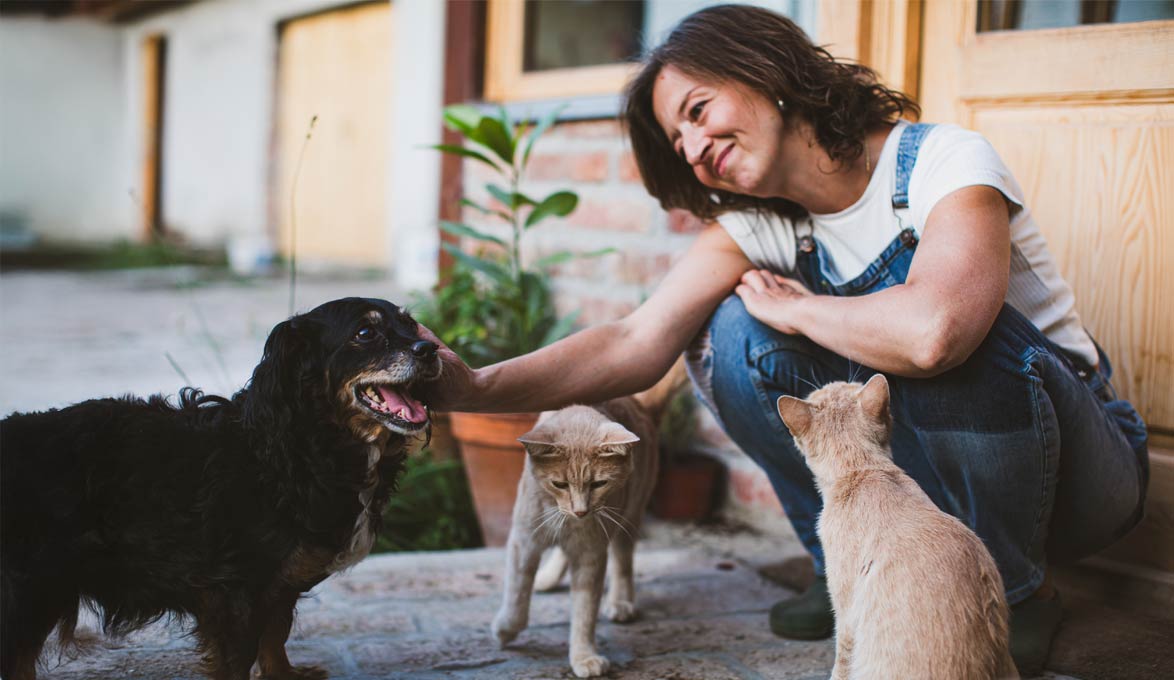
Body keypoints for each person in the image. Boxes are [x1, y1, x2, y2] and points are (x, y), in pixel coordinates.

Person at [422, 5, 1149, 674]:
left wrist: (802, 312)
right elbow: (635, 337)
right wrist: (476, 389)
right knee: (731, 333)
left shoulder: (941, 162)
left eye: (698, 112)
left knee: (947, 327)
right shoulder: (762, 224)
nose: (695, 148)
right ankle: (839, 567)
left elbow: (935, 334)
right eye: (680, 141)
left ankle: (1018, 590)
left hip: (1080, 474)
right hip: (929, 469)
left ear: (762, 72)